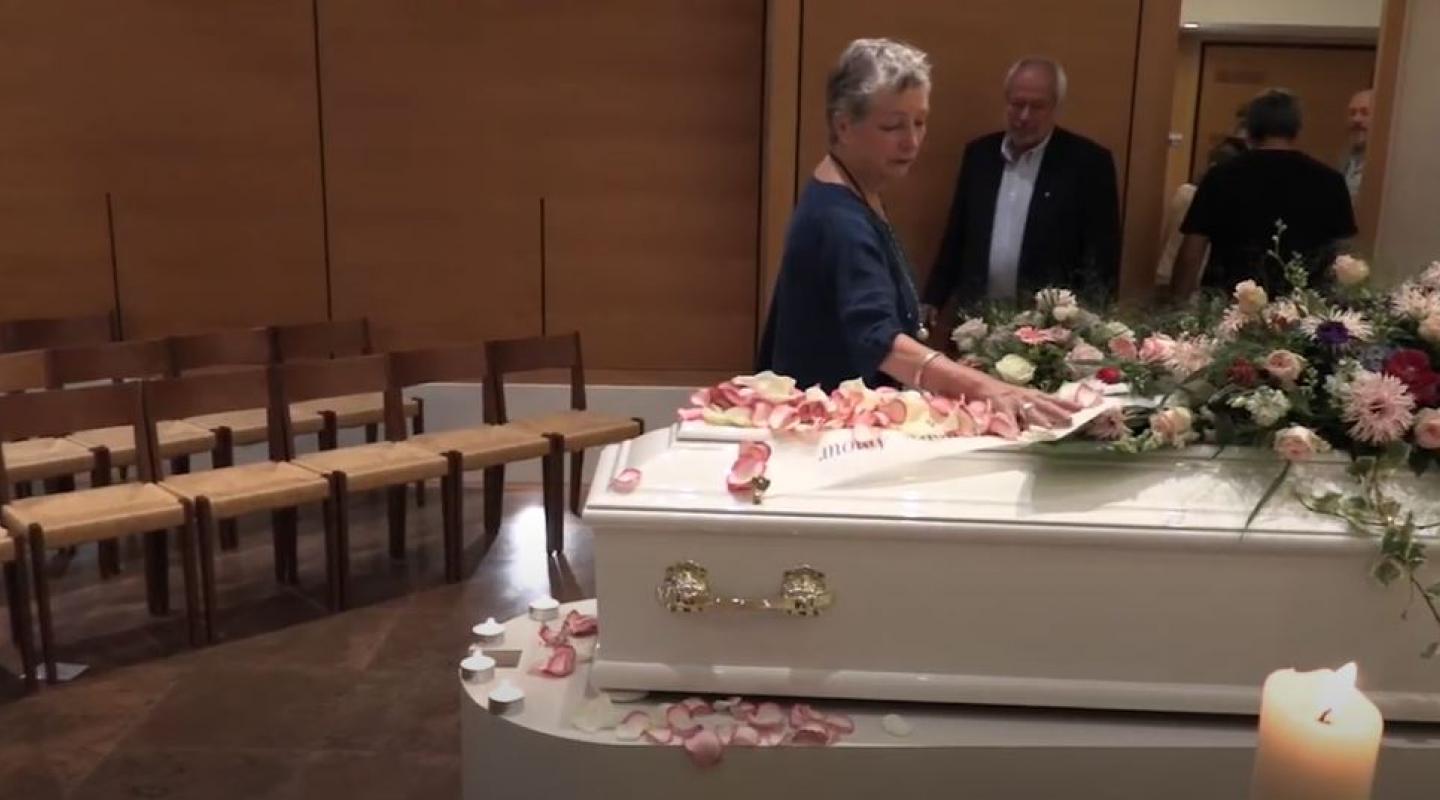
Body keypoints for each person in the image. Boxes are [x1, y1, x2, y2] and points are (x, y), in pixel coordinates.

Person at [756, 39, 1075, 427]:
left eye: (919, 122)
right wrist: (988, 389)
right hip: (827, 434)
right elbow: (877, 338)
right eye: (893, 126)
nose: (911, 141)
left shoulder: (858, 191)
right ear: (843, 125)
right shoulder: (839, 219)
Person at [921, 56, 1120, 326]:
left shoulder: (1087, 163)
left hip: (1050, 328)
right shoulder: (980, 155)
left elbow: (1101, 258)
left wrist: (1091, 324)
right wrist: (933, 298)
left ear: (1056, 107)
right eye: (1017, 104)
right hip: (977, 321)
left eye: (1037, 106)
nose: (1024, 116)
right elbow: (957, 235)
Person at [1173, 89, 1356, 297]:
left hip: (1228, 301)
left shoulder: (1220, 177)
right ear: (1296, 129)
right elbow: (1344, 255)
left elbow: (1192, 252)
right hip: (1302, 303)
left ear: (1249, 129)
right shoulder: (1329, 181)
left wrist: (1178, 303)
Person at [1341, 88, 1373, 199]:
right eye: (1352, 113)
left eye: (1365, 113)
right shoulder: (1346, 157)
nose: (1356, 119)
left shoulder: (1385, 163)